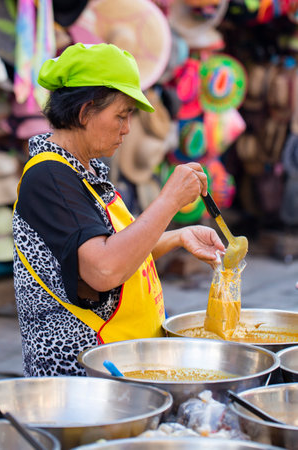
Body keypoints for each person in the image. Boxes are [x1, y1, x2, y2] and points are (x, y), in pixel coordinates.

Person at [13, 43, 225, 377]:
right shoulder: (49, 176)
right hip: (81, 378)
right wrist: (169, 200)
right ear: (85, 112)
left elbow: (115, 248)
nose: (127, 128)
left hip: (117, 365)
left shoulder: (86, 170)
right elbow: (103, 270)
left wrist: (178, 236)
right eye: (121, 116)